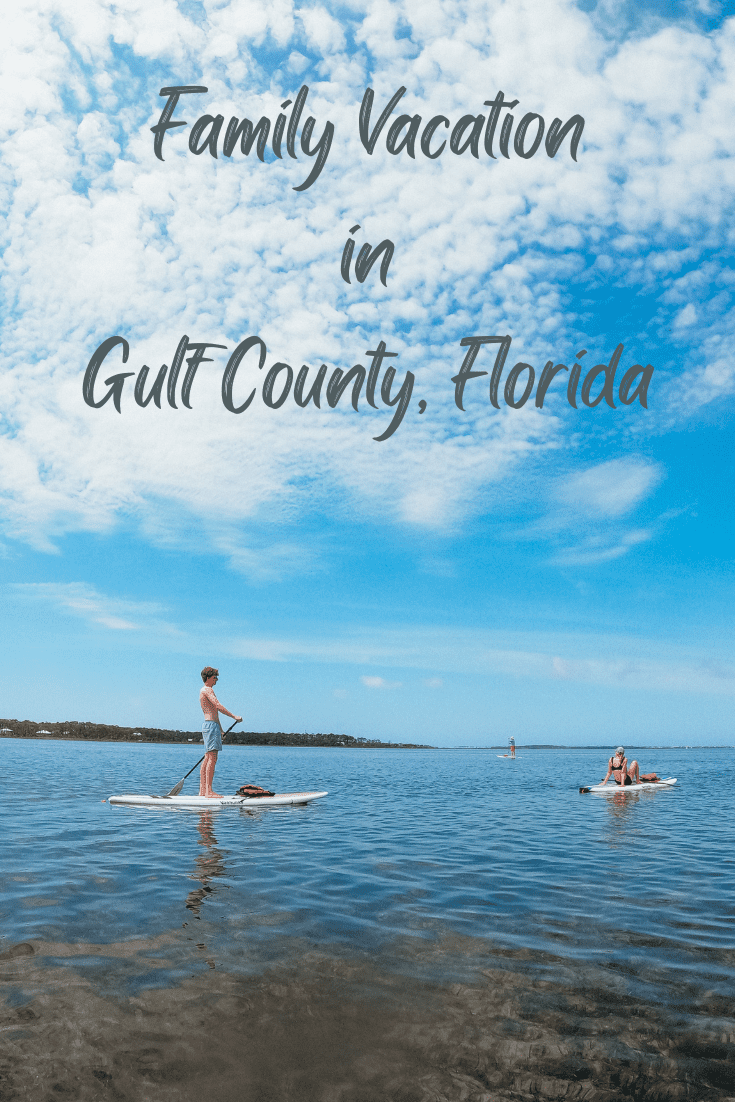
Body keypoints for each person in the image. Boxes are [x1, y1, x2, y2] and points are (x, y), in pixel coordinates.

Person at [199, 666, 242, 798]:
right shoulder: (208, 690)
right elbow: (218, 706)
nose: (217, 680)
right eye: (215, 677)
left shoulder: (204, 690)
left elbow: (214, 712)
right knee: (212, 757)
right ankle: (209, 792)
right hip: (211, 726)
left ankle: (203, 792)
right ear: (208, 678)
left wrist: (221, 729)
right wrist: (234, 716)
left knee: (208, 757)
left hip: (210, 725)